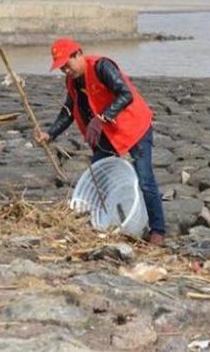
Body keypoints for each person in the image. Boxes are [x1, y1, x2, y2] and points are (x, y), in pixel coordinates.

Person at [34, 38, 166, 245]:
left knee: (145, 180)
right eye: (61, 69)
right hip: (107, 133)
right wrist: (50, 134)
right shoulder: (73, 81)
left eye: (67, 65)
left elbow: (126, 94)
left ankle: (158, 231)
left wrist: (102, 117)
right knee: (98, 177)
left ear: (78, 54)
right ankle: (102, 223)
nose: (65, 71)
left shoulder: (101, 66)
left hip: (134, 127)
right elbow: (68, 111)